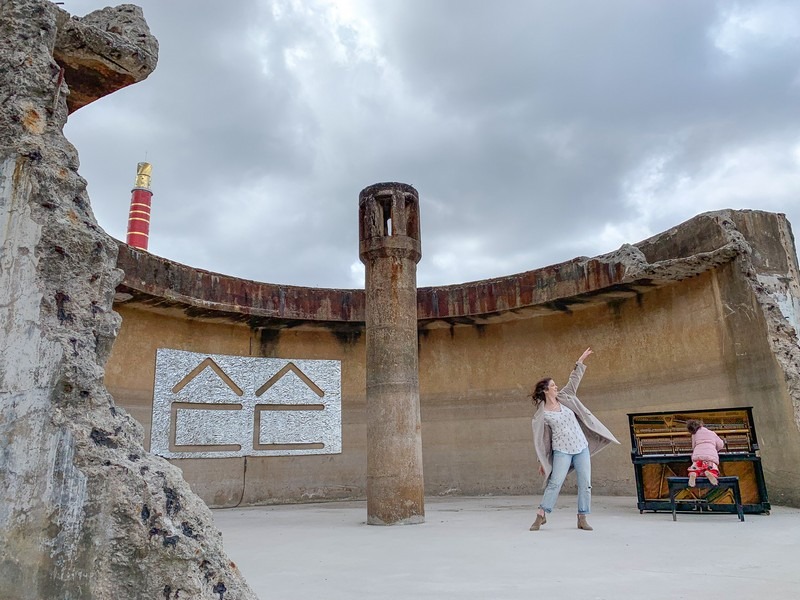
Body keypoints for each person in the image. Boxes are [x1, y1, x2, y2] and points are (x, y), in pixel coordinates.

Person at [529, 347, 620, 532]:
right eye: (553, 385)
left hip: (581, 447)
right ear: (546, 391)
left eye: (555, 385)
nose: (556, 387)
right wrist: (542, 461)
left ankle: (582, 517)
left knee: (585, 483)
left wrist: (580, 360)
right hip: (562, 451)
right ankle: (541, 515)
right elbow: (542, 442)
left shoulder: (566, 396)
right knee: (555, 482)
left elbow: (574, 379)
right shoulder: (542, 415)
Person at [686, 419, 724, 486]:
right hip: (710, 455)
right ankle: (709, 473)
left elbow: (693, 446)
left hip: (698, 455)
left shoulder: (694, 434)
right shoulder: (712, 433)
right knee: (712, 469)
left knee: (695, 468)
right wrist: (715, 449)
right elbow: (721, 444)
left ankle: (693, 473)